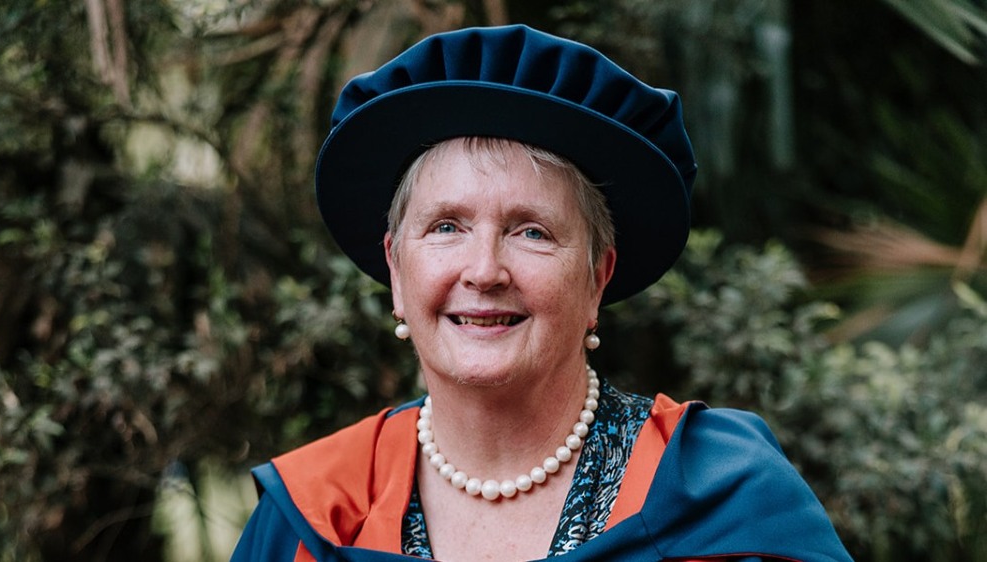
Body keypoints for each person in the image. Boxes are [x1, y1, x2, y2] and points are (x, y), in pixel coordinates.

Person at [231, 24, 852, 562]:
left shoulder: (724, 499)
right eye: (446, 226)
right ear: (396, 269)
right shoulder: (314, 517)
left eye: (531, 231)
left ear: (597, 278)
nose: (484, 270)